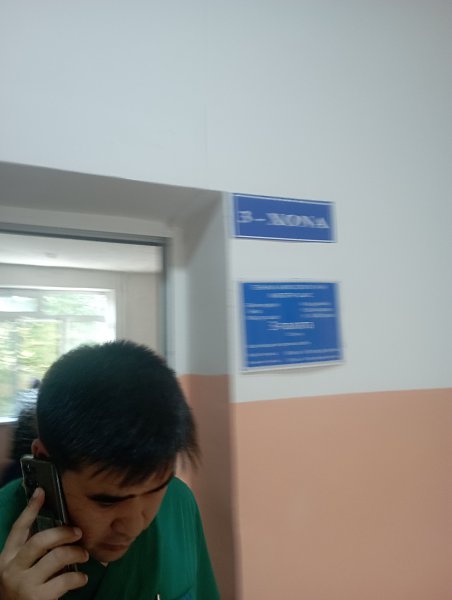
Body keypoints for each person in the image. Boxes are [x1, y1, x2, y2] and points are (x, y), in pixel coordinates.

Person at [0, 340, 219, 599]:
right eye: (107, 501)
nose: (133, 526)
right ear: (45, 459)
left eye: (155, 489)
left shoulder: (178, 503)